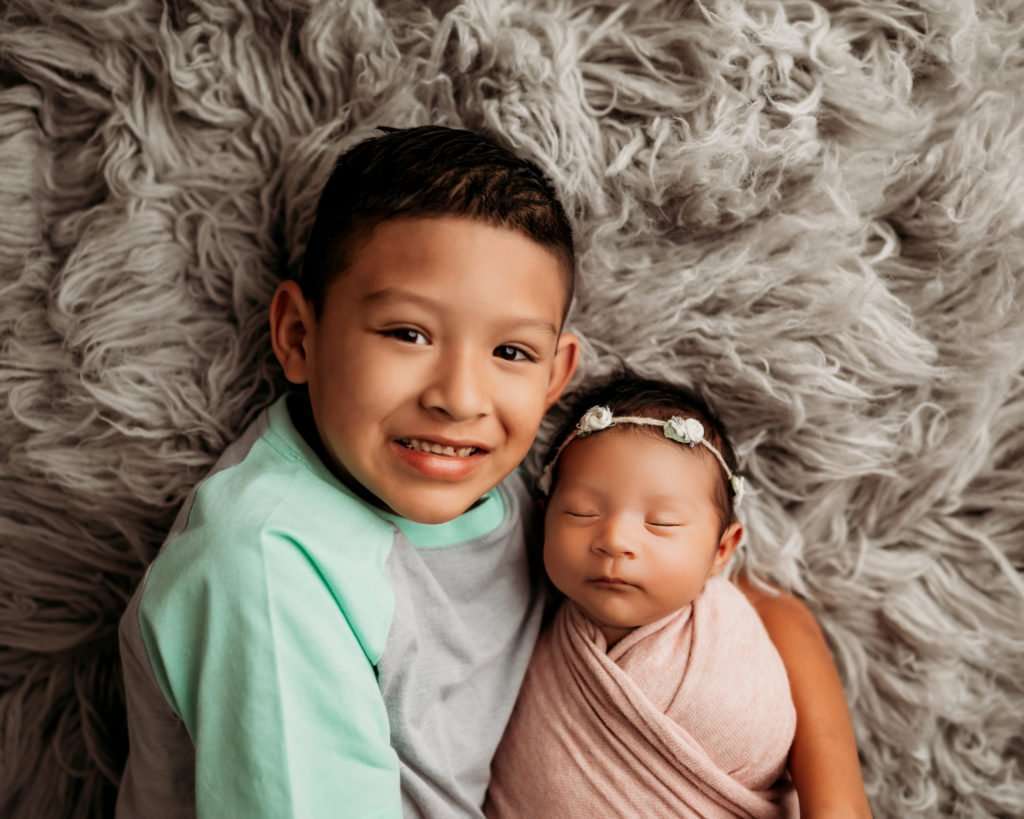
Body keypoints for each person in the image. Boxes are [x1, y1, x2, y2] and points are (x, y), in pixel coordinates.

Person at [116, 125, 869, 819]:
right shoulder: (267, 569)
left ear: (555, 375)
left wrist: (837, 797)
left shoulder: (500, 488)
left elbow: (765, 607)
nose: (458, 399)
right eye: (408, 333)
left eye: (509, 352)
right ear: (298, 335)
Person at [487, 374, 801, 817]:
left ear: (722, 550)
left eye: (662, 523)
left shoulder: (730, 650)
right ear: (543, 520)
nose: (614, 539)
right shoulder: (526, 635)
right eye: (582, 512)